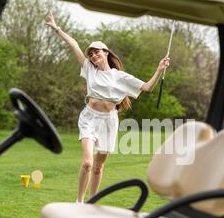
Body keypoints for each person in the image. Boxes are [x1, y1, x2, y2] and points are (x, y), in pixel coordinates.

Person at [45, 11, 170, 203]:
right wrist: (56, 28)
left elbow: (147, 87)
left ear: (106, 53)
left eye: (97, 52)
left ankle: (91, 202)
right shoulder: (89, 70)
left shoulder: (119, 77)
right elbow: (74, 44)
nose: (93, 55)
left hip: (109, 122)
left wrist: (159, 69)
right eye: (91, 53)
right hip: (89, 118)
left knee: (98, 167)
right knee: (87, 162)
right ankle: (79, 202)